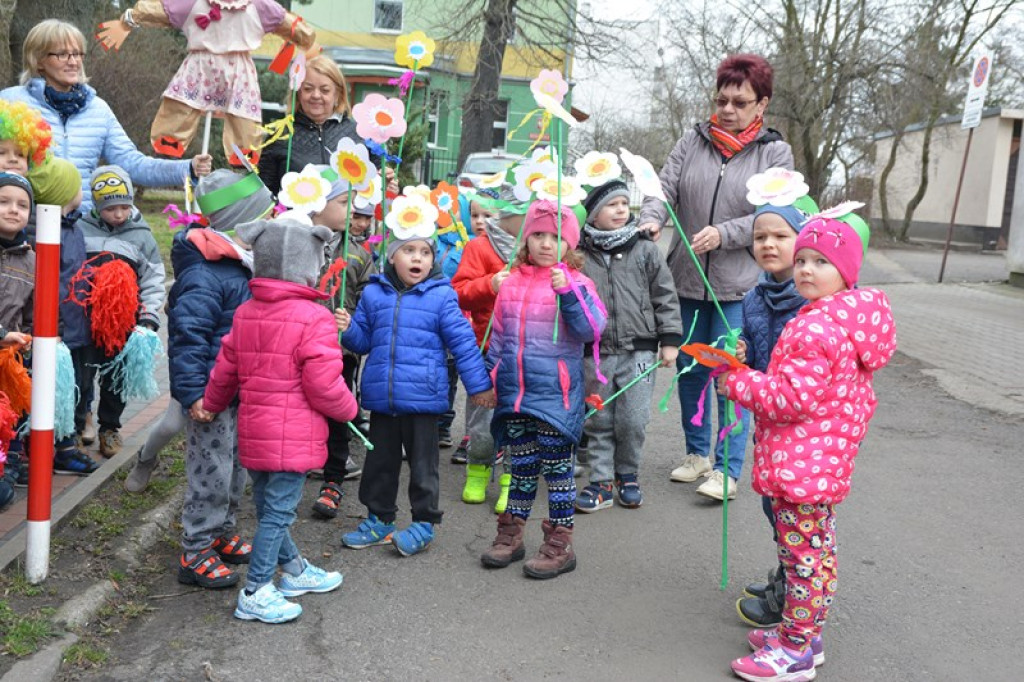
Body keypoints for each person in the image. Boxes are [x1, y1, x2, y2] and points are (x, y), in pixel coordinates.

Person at [719, 215, 896, 681]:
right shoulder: (834, 319)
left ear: (846, 272)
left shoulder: (816, 328)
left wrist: (737, 381)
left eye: (821, 262)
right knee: (809, 552)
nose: (806, 270)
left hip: (804, 461)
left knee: (805, 560)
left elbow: (789, 399)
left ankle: (795, 649)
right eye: (802, 260)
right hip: (819, 458)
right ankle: (804, 633)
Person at [638, 54, 794, 502]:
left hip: (739, 287)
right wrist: (652, 219)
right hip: (685, 279)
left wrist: (725, 233)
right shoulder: (692, 140)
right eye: (721, 99)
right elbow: (662, 189)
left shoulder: (774, 152)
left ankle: (727, 468)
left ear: (761, 105)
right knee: (690, 369)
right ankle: (696, 455)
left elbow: (774, 215)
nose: (727, 109)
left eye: (739, 102)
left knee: (730, 376)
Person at [204, 216, 357, 624]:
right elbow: (324, 382)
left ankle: (294, 571)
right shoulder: (315, 317)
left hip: (254, 431)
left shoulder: (246, 312)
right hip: (294, 435)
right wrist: (349, 409)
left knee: (272, 506)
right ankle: (255, 590)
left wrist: (211, 402)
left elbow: (225, 370)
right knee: (278, 513)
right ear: (311, 263)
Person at [335, 227, 493, 557]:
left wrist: (479, 386)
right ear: (392, 256)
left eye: (424, 251)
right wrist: (348, 329)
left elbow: (463, 343)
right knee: (380, 464)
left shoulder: (441, 295)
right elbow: (363, 343)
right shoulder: (374, 294)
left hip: (423, 400)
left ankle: (423, 522)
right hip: (382, 399)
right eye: (408, 250)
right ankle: (379, 519)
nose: (417, 257)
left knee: (423, 466)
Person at [479, 200, 606, 579]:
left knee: (557, 471)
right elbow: (498, 339)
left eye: (555, 237)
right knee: (520, 468)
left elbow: (591, 330)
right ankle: (510, 534)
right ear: (526, 239)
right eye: (538, 235)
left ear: (569, 245)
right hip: (515, 396)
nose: (546, 244)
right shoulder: (512, 282)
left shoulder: (579, 283)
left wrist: (568, 293)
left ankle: (559, 543)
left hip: (556, 397)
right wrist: (488, 381)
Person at [168, 169, 276, 588]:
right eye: (265, 215)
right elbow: (188, 335)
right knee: (210, 469)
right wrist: (195, 392)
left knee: (235, 467)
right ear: (243, 223)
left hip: (239, 389)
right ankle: (195, 550)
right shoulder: (208, 272)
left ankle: (222, 533)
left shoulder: (241, 264)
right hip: (211, 394)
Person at [0, 20, 211, 212]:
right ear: (38, 60)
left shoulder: (98, 109)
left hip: (83, 229)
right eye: (62, 54)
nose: (73, 62)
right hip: (24, 226)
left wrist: (187, 168)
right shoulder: (10, 102)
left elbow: (131, 164)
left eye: (78, 54)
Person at [732, 189, 815, 629]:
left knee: (795, 514)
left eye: (781, 235)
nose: (768, 244)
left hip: (803, 431)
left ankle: (795, 596)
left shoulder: (812, 303)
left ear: (803, 241)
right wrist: (739, 354)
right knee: (772, 507)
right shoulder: (753, 298)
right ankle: (788, 571)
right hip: (769, 422)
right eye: (760, 236)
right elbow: (753, 353)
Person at [576, 179, 682, 512]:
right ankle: (601, 480)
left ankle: (628, 473)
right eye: (612, 205)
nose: (621, 210)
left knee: (633, 419)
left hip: (639, 350)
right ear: (592, 215)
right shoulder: (578, 255)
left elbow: (664, 295)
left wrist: (669, 340)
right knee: (599, 417)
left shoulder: (645, 249)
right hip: (596, 351)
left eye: (625, 203)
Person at [74, 165, 165, 458]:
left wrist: (148, 317)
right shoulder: (80, 230)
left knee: (116, 379)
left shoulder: (141, 236)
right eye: (111, 208)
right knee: (82, 377)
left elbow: (153, 279)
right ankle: (77, 426)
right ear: (98, 205)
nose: (119, 214)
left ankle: (109, 428)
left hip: (123, 325)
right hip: (86, 322)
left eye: (125, 206)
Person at [308, 168, 377, 520]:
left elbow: (366, 296)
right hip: (302, 342)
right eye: (344, 202)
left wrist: (358, 326)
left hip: (341, 347)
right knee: (305, 407)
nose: (352, 212)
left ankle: (334, 479)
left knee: (337, 407)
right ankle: (304, 462)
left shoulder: (358, 253)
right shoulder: (301, 241)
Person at [450, 187, 525, 509]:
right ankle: (478, 471)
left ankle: (511, 479)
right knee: (482, 416)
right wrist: (490, 284)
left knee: (517, 417)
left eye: (493, 213)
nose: (485, 221)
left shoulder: (534, 247)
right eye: (478, 214)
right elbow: (459, 291)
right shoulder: (479, 247)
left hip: (524, 348)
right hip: (486, 344)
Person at [259, 55, 361, 195]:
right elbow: (265, 193)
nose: (316, 95)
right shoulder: (280, 135)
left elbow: (372, 186)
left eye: (325, 90)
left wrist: (388, 183)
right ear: (298, 92)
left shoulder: (357, 133)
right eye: (308, 89)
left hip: (344, 217)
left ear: (337, 94)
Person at [0, 173, 36, 495]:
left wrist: (32, 339)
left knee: (11, 413)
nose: (13, 209)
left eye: (22, 205)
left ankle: (9, 465)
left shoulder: (31, 259)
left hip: (10, 360)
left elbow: (33, 312)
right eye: (4, 201)